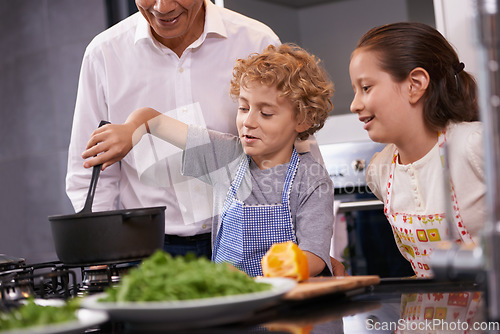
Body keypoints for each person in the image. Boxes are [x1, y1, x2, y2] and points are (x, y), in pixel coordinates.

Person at [81, 43, 335, 277]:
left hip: (288, 309)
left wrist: (266, 277)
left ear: (303, 120)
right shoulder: (227, 156)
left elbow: (315, 256)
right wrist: (130, 129)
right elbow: (153, 119)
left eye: (266, 113)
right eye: (244, 108)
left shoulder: (312, 178)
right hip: (232, 306)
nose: (248, 121)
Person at [66, 0, 284, 259]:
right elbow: (90, 172)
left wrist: (313, 249)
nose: (162, 7)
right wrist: (100, 251)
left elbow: (296, 149)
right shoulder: (103, 54)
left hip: (249, 239)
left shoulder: (257, 41)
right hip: (147, 249)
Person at [349, 22, 485, 278]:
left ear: (415, 83)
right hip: (424, 315)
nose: (355, 104)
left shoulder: (476, 144)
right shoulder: (380, 170)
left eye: (366, 88)